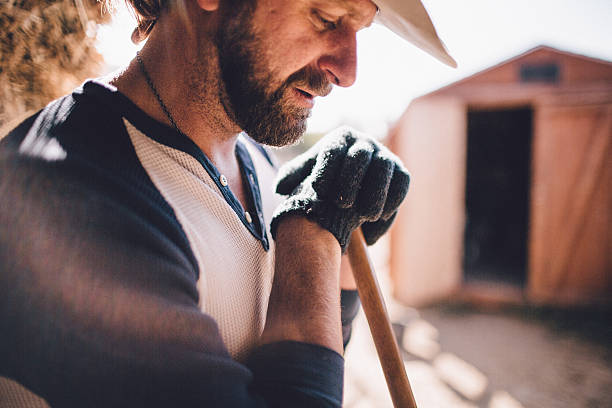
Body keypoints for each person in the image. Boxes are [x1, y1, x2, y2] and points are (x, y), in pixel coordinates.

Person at [0, 0, 455, 406]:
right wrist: (311, 237)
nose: (347, 71)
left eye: (359, 31)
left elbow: (305, 370)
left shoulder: (255, 157)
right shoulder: (66, 198)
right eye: (326, 18)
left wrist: (342, 248)